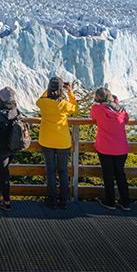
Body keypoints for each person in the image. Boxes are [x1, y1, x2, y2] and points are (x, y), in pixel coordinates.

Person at [36, 76, 77, 209]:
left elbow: (39, 101)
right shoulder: (64, 104)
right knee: (63, 171)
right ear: (60, 90)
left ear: (49, 89)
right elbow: (75, 108)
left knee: (51, 171)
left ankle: (51, 199)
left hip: (47, 141)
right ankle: (63, 200)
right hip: (63, 142)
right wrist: (69, 92)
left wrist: (48, 91)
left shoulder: (43, 103)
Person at [90, 87, 130, 211]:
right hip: (121, 148)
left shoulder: (97, 108)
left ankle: (110, 202)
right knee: (120, 174)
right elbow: (126, 120)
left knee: (108, 175)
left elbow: (93, 117)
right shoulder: (122, 110)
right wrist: (115, 102)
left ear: (98, 98)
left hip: (105, 148)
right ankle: (125, 203)